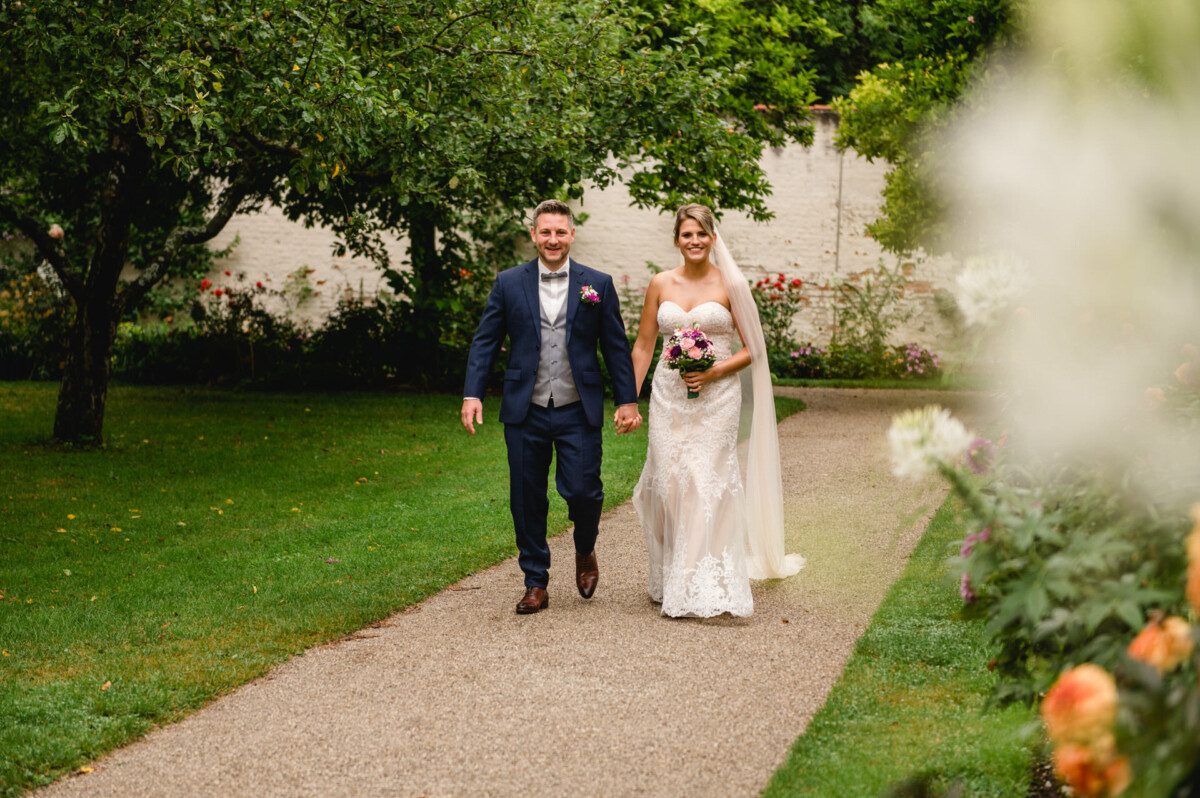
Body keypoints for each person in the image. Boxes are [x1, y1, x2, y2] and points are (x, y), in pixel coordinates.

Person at [461, 200, 642, 614]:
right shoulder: (508, 283)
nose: (553, 239)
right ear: (534, 235)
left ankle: (585, 548)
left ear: (572, 235)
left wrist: (628, 398)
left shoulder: (597, 282)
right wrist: (472, 393)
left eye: (560, 232)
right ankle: (535, 582)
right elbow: (485, 340)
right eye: (546, 232)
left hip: (578, 406)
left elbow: (615, 346)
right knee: (526, 497)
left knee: (583, 489)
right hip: (525, 409)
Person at [630, 203, 804, 618]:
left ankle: (696, 584)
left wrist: (713, 371)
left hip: (718, 398)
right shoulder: (659, 283)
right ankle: (673, 572)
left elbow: (754, 347)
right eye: (686, 234)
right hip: (668, 396)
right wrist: (627, 399)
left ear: (712, 238)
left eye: (701, 234)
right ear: (676, 239)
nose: (694, 241)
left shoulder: (731, 284)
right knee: (670, 484)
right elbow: (643, 345)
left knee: (705, 482)